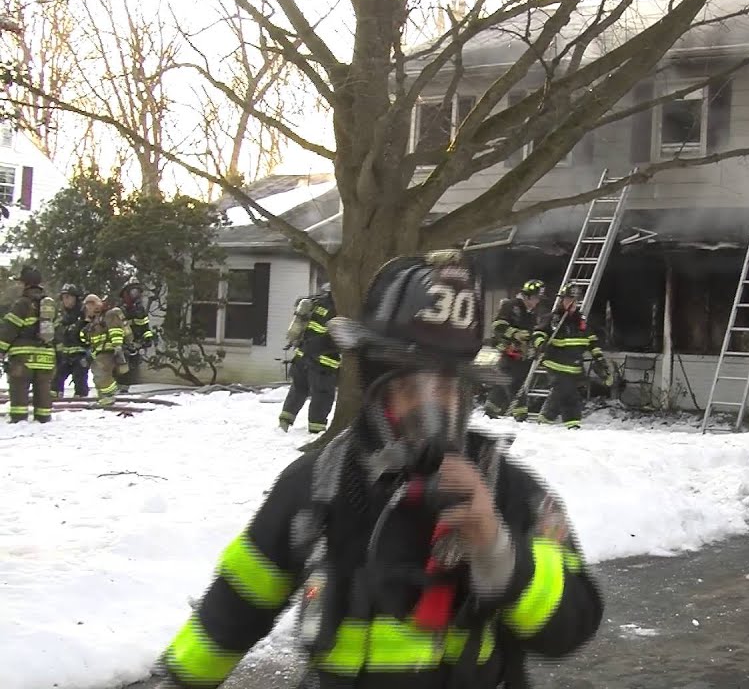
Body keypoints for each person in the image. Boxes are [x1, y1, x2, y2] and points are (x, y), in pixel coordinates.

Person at [155, 251, 603, 689]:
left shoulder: (507, 490)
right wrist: (179, 679)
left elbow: (572, 627)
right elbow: (236, 604)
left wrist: (499, 554)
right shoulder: (318, 485)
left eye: (448, 386)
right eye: (410, 384)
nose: (433, 407)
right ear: (375, 385)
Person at [531, 285, 609, 430]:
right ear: (562, 300)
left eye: (576, 300)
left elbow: (592, 341)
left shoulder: (581, 322)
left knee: (567, 393)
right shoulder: (553, 318)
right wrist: (541, 343)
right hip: (555, 364)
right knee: (566, 391)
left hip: (574, 366)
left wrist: (599, 359)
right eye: (569, 299)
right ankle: (559, 421)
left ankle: (558, 421)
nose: (573, 303)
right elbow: (537, 333)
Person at [279, 282, 340, 434]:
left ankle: (285, 421)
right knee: (322, 394)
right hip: (323, 361)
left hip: (301, 355)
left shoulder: (316, 302)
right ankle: (316, 430)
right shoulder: (339, 308)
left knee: (298, 389)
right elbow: (336, 337)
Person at [0, 266, 57, 423]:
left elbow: (9, 329)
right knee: (43, 390)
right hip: (46, 357)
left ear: (25, 284)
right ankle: (43, 417)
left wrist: (1, 349)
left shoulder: (22, 304)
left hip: (23, 358)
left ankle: (19, 419)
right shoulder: (49, 306)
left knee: (19, 389)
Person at [483, 279, 545, 421]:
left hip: (520, 354)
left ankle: (490, 410)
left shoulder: (531, 313)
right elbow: (497, 325)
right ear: (527, 296)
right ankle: (520, 415)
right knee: (514, 383)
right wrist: (514, 333)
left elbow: (532, 332)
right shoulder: (511, 306)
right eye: (536, 298)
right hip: (507, 352)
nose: (537, 302)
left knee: (503, 383)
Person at [80, 294, 128, 407]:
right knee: (97, 375)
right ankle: (103, 397)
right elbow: (87, 338)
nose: (87, 310)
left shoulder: (109, 314)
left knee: (101, 374)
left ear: (93, 304)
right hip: (99, 352)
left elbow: (115, 330)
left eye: (88, 306)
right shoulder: (94, 321)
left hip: (108, 350)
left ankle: (109, 396)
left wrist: (117, 346)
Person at [53, 283, 91, 398]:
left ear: (76, 298)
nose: (66, 300)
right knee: (56, 380)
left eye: (68, 297)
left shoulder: (84, 314)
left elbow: (91, 334)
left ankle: (81, 403)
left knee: (80, 381)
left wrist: (89, 355)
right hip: (65, 356)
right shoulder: (61, 316)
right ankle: (55, 399)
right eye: (64, 298)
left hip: (81, 355)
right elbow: (56, 335)